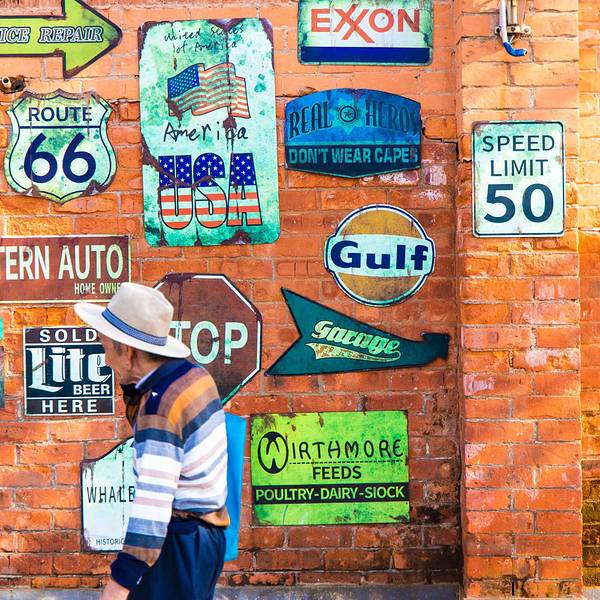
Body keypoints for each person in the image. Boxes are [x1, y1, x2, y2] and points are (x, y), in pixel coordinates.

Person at [75, 282, 229, 600]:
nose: (105, 360)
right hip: (207, 538)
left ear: (128, 350)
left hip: (179, 543)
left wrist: (119, 585)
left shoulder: (159, 407)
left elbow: (153, 503)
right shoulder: (193, 376)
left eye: (106, 347)